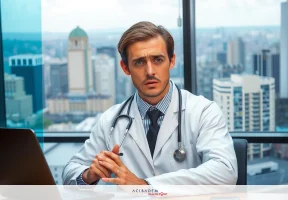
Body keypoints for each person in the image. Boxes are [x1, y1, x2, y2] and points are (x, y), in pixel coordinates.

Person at [62, 21, 237, 185]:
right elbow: (70, 171)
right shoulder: (110, 120)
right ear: (125, 68)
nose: (150, 71)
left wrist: (146, 186)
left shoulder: (203, 112)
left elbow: (226, 171)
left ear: (172, 60)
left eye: (158, 60)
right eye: (139, 62)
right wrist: (88, 175)